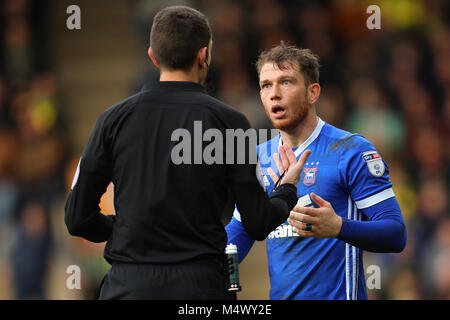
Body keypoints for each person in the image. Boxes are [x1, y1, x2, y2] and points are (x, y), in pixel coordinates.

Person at [64, 6, 310, 300]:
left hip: (129, 286)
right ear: (204, 55)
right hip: (201, 287)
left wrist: (120, 228)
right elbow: (257, 222)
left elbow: (77, 218)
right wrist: (285, 190)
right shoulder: (230, 123)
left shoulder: (112, 121)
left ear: (153, 56)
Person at [225, 43, 407, 300]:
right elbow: (238, 232)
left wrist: (338, 227)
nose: (274, 93)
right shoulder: (258, 157)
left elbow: (395, 234)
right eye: (266, 85)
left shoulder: (350, 150)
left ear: (313, 93)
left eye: (286, 82)